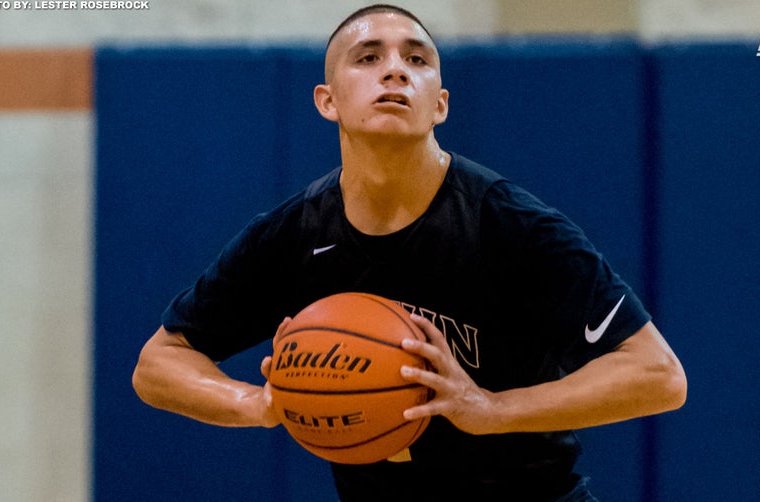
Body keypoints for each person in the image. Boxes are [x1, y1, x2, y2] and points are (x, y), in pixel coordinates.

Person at [132, 4, 687, 501]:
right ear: (328, 101)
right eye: (368, 57)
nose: (395, 69)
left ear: (439, 104)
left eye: (417, 60)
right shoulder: (295, 234)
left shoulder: (508, 223)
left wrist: (491, 410)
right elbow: (157, 365)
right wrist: (260, 405)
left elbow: (657, 374)